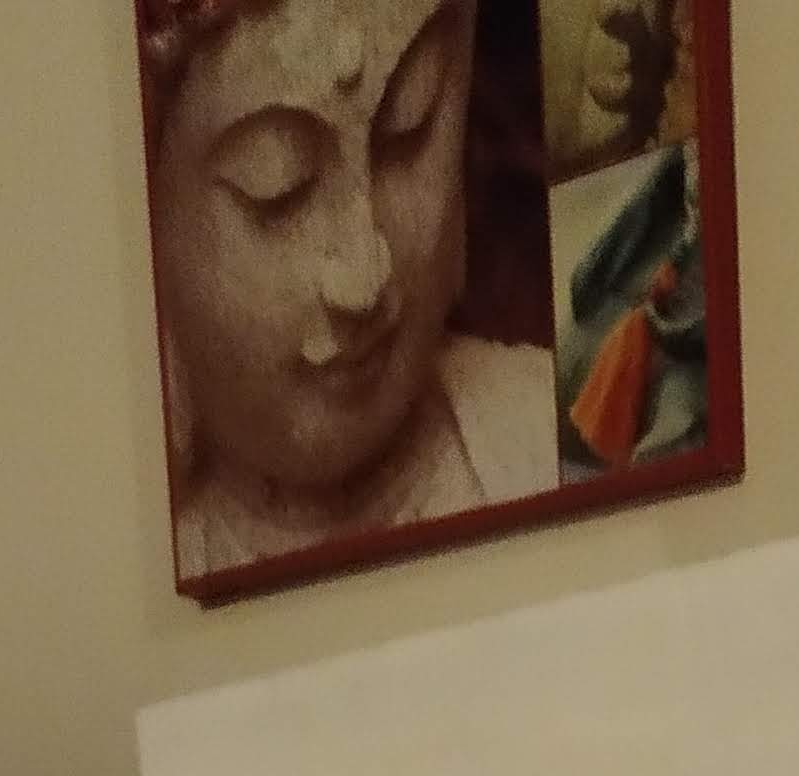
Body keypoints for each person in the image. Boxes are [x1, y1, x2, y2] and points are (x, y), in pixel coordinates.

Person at [140, 0, 558, 583]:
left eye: (409, 127)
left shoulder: (545, 431)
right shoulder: (129, 564)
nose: (364, 277)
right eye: (277, 185)